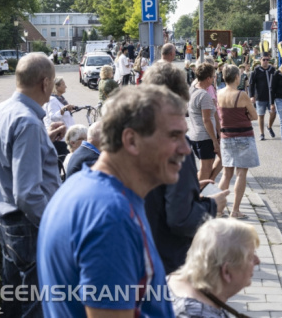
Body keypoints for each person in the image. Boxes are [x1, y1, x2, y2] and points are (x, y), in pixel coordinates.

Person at [37, 85, 190, 317]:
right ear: (131, 140)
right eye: (174, 136)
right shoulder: (111, 216)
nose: (186, 149)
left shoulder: (85, 189)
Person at [0, 53, 65, 317]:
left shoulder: (0, 111)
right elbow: (28, 194)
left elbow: (7, 160)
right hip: (29, 226)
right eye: (52, 81)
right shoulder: (28, 122)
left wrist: (43, 141)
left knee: (13, 297)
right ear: (45, 83)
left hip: (6, 222)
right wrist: (53, 225)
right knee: (34, 305)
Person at [142, 61, 230, 274]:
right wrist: (212, 206)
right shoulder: (176, 145)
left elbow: (155, 191)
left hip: (138, 250)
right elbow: (180, 219)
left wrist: (189, 188)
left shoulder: (135, 135)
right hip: (164, 261)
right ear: (180, 97)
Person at [169, 218, 260, 318]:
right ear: (226, 272)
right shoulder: (198, 314)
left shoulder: (170, 282)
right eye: (250, 257)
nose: (258, 261)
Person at [217, 65, 259, 219]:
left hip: (226, 136)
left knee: (226, 174)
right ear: (236, 77)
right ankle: (235, 211)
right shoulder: (241, 95)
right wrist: (245, 115)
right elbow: (254, 116)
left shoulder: (219, 93)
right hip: (243, 136)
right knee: (241, 173)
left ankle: (218, 210)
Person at [188, 63, 221, 182]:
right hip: (205, 137)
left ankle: (206, 186)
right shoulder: (204, 95)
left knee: (222, 159)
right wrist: (214, 140)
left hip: (196, 135)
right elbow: (206, 120)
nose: (213, 79)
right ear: (208, 78)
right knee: (205, 170)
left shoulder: (193, 89)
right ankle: (195, 191)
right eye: (213, 76)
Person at [44, 77, 76, 165]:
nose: (66, 86)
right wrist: (64, 109)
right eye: (63, 84)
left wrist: (69, 109)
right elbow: (53, 117)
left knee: (65, 162)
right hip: (59, 139)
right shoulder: (52, 100)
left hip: (65, 137)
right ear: (56, 87)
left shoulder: (60, 99)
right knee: (61, 163)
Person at [249, 51, 276, 141]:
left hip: (271, 97)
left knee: (273, 113)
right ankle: (262, 133)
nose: (265, 61)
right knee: (261, 115)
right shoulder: (256, 71)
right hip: (260, 96)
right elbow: (251, 84)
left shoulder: (272, 69)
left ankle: (269, 126)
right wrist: (252, 96)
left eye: (267, 60)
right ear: (260, 60)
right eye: (264, 59)